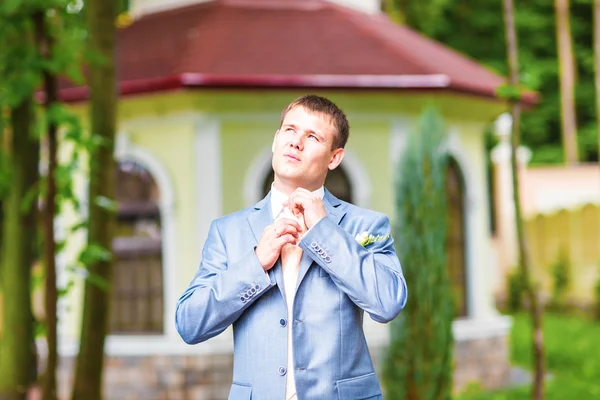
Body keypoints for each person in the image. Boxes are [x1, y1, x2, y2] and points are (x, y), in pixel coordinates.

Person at [175, 95, 407, 400]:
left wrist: (325, 232)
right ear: (276, 140)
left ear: (334, 157)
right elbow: (190, 324)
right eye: (289, 130)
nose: (296, 142)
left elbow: (388, 302)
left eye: (312, 136)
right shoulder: (227, 232)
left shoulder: (365, 225)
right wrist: (256, 262)